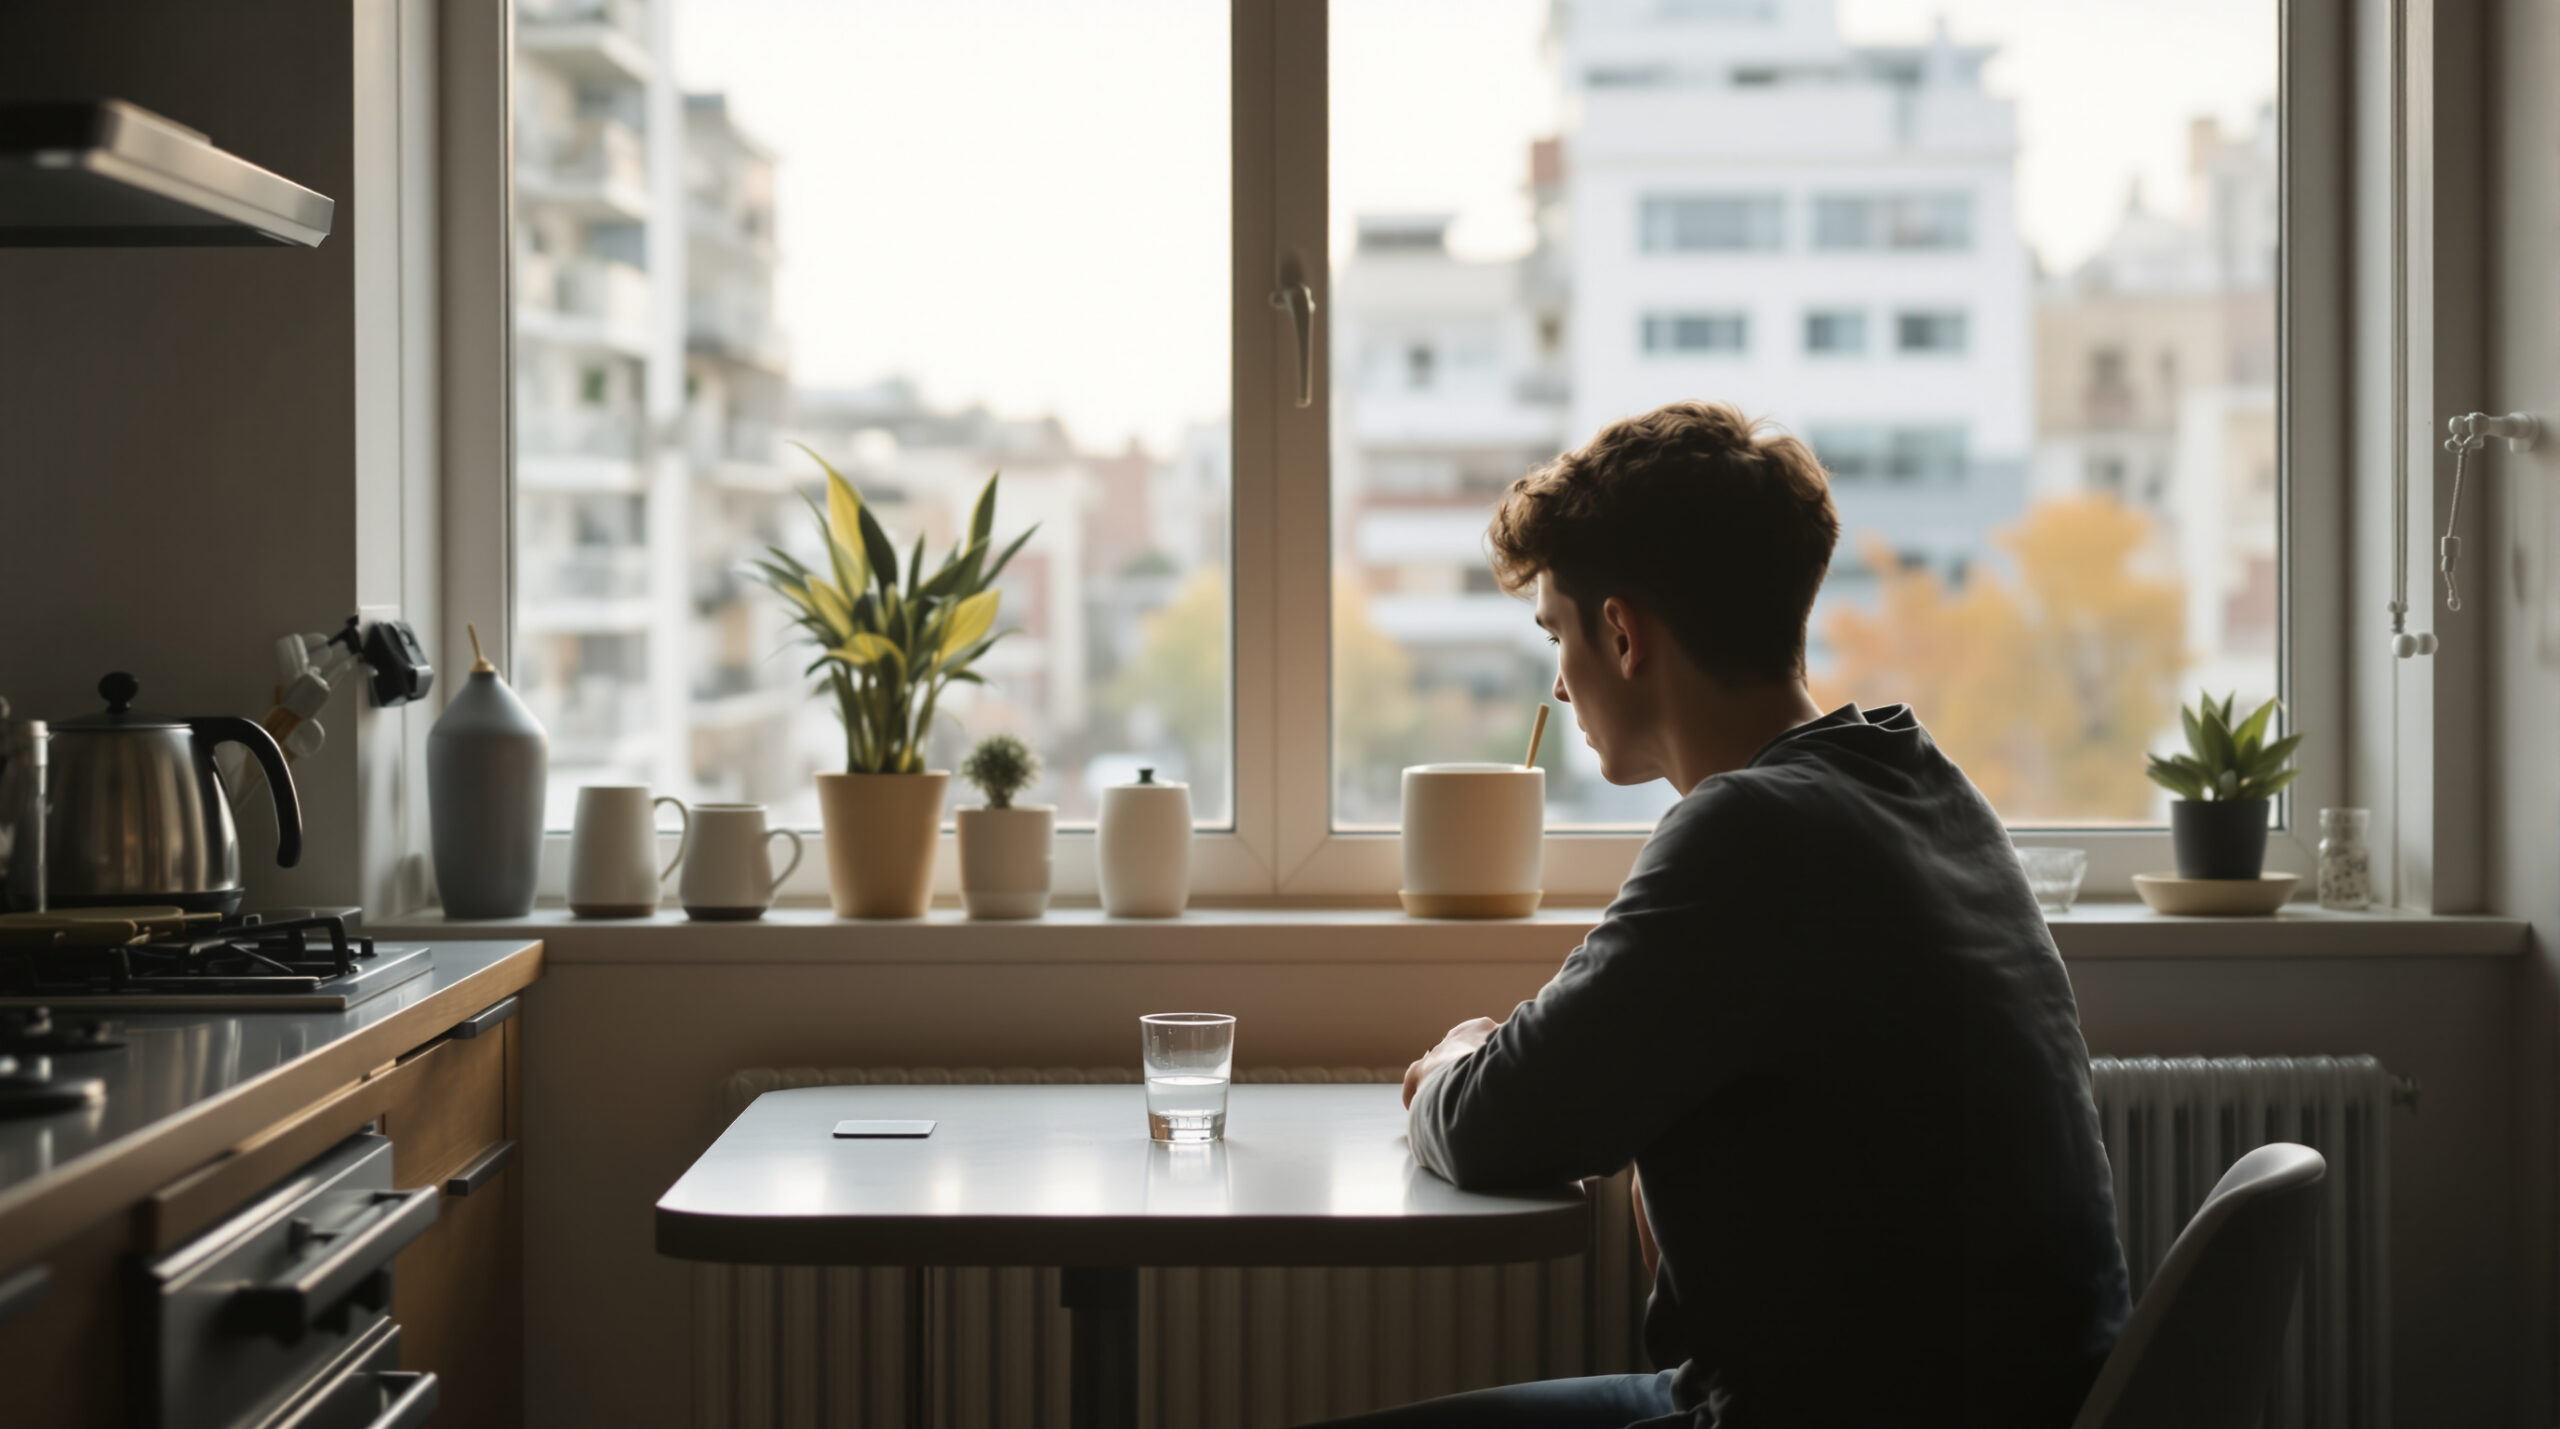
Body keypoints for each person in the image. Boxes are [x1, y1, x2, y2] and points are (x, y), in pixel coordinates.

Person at [1318, 402, 2130, 1428]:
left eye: (1556, 635)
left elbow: (1490, 1124)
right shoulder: (1920, 785)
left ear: (1620, 634)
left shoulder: (1751, 832)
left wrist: (1447, 1064)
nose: (1560, 687)